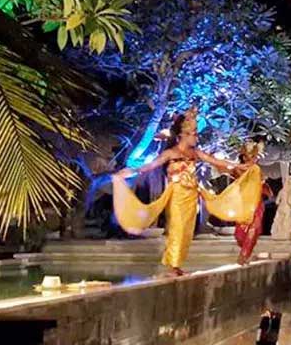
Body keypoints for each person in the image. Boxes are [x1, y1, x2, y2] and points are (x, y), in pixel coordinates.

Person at [112, 107, 262, 276]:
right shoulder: (170, 153)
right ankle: (172, 265)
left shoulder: (194, 152)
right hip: (176, 195)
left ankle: (176, 264)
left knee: (187, 231)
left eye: (196, 134)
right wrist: (130, 171)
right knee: (177, 228)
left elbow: (215, 161)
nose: (196, 137)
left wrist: (239, 165)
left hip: (192, 195)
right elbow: (150, 166)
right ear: (183, 135)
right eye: (193, 134)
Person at [234, 139, 274, 265]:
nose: (252, 159)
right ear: (244, 157)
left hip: (256, 204)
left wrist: (265, 189)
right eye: (249, 156)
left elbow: (262, 186)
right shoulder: (238, 170)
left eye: (254, 157)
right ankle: (247, 252)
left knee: (253, 230)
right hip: (243, 204)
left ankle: (244, 255)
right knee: (239, 234)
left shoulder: (257, 170)